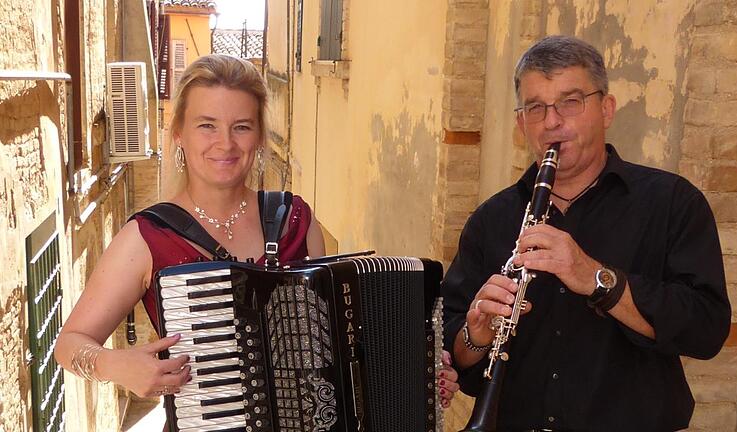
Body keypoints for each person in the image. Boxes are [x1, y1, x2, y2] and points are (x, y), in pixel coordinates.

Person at [54, 54, 459, 424]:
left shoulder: (295, 220)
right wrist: (114, 365)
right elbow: (69, 344)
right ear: (179, 133)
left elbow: (335, 346)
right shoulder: (146, 237)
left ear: (260, 136)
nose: (225, 143)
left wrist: (414, 370)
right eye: (206, 125)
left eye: (241, 127)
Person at [442, 35, 731, 432]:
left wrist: (598, 279)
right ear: (521, 122)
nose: (551, 121)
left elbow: (706, 330)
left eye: (570, 102)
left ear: (606, 109)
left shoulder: (672, 202)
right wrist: (475, 336)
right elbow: (452, 351)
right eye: (536, 107)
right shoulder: (491, 219)